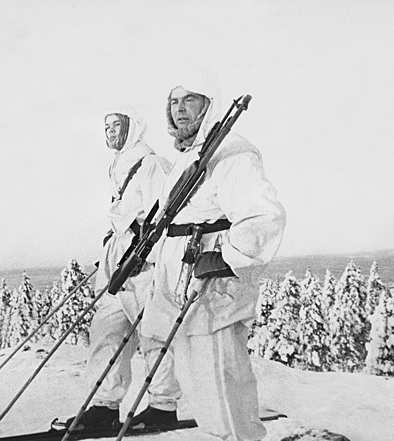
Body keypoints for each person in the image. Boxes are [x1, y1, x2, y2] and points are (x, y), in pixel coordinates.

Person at [141, 79, 286, 441]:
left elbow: (264, 216)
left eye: (190, 99)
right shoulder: (187, 158)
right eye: (174, 101)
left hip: (212, 290)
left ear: (210, 105)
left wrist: (225, 259)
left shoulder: (232, 152)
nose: (180, 108)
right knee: (201, 392)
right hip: (180, 285)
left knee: (224, 392)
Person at [73, 106, 181, 430]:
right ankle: (105, 406)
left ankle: (163, 406)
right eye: (106, 126)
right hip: (117, 262)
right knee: (105, 330)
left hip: (145, 263)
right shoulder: (118, 166)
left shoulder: (150, 163)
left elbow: (164, 215)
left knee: (153, 332)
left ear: (132, 127)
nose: (109, 131)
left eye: (116, 125)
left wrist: (148, 253)